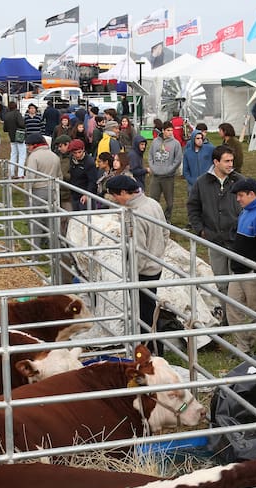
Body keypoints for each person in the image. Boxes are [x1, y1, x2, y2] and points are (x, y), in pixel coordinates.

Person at [105, 174, 168, 350]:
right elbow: (165, 233)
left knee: (144, 313)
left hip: (142, 271)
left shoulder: (136, 215)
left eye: (115, 195)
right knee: (149, 308)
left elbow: (138, 250)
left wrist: (131, 273)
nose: (115, 200)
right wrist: (158, 254)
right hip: (155, 265)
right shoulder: (153, 203)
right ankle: (151, 348)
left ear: (124, 192)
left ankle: (150, 350)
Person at [186, 145, 245, 297]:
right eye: (227, 161)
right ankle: (225, 316)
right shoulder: (202, 183)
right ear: (216, 162)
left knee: (237, 284)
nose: (231, 164)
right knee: (221, 283)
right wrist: (200, 229)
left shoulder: (240, 181)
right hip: (214, 239)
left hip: (236, 240)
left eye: (232, 160)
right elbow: (193, 207)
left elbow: (250, 206)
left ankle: (235, 318)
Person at [227, 177, 256, 353]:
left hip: (253, 274)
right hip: (238, 270)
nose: (238, 199)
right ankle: (243, 347)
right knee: (232, 309)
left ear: (251, 194)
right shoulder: (245, 211)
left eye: (240, 195)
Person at [147, 123, 183, 220]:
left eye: (172, 130)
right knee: (153, 199)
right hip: (156, 176)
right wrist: (153, 168)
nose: (170, 132)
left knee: (169, 202)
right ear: (163, 130)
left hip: (168, 177)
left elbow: (178, 159)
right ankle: (154, 218)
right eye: (168, 130)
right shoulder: (155, 142)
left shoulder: (176, 143)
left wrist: (169, 169)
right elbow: (150, 156)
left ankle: (167, 218)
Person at [65, 139, 95, 211]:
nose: (78, 155)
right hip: (74, 193)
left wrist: (87, 194)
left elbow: (92, 181)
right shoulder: (71, 160)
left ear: (83, 150)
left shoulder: (89, 162)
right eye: (75, 153)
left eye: (79, 152)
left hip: (84, 194)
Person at [1, 101, 27, 174]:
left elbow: (4, 129)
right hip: (19, 137)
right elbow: (21, 124)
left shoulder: (6, 115)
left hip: (11, 137)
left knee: (13, 155)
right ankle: (20, 174)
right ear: (16, 106)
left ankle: (11, 173)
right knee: (22, 156)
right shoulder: (17, 114)